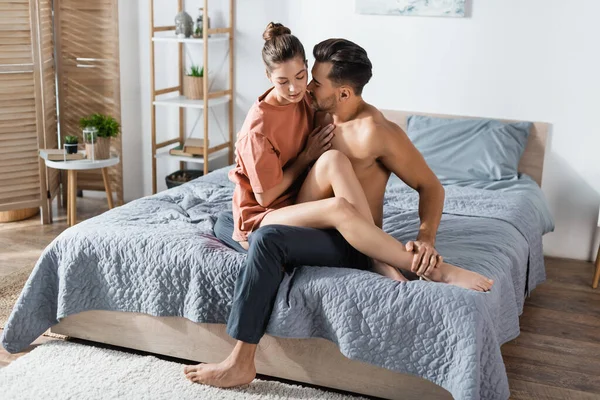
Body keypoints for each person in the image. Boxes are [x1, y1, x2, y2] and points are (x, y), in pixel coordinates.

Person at [184, 24, 494, 387]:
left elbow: (430, 186)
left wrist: (426, 238)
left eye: (313, 82)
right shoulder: (312, 109)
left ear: (343, 92)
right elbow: (282, 75)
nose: (305, 88)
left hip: (351, 236)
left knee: (273, 228)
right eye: (304, 79)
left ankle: (242, 358)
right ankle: (373, 256)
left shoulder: (376, 132)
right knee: (231, 220)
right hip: (306, 216)